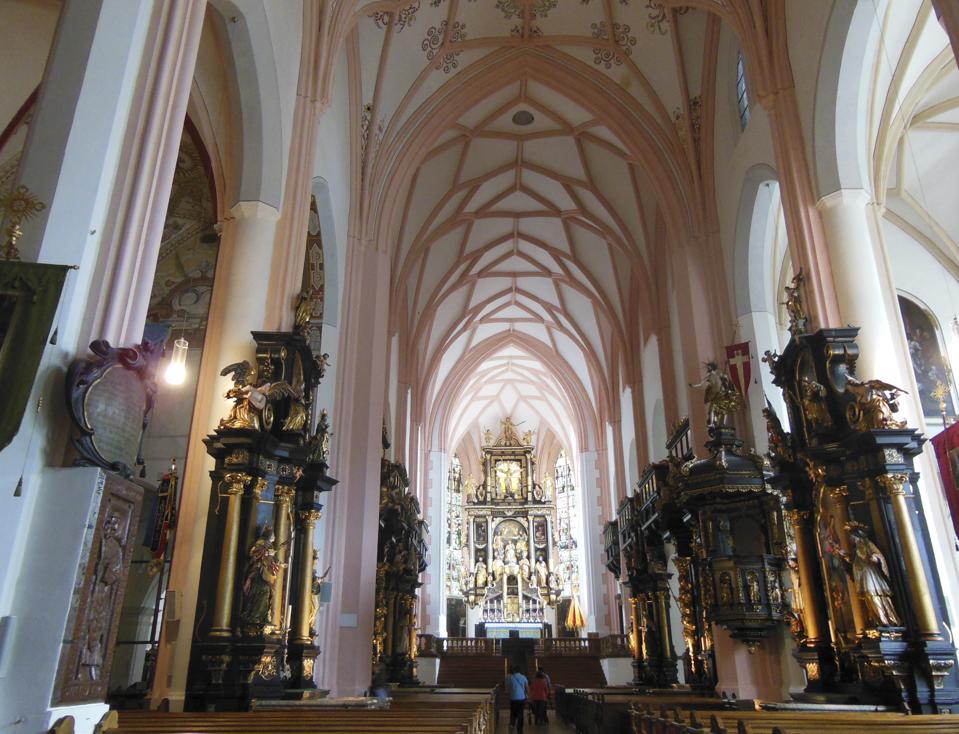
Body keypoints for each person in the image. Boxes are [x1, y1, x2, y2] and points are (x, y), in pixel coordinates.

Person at [506, 665, 529, 732]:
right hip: (521, 698)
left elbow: (508, 689)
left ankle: (512, 724)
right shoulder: (523, 677)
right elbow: (527, 688)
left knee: (513, 712)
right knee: (520, 713)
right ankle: (520, 727)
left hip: (513, 698)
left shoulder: (511, 678)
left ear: (514, 670)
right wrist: (528, 694)